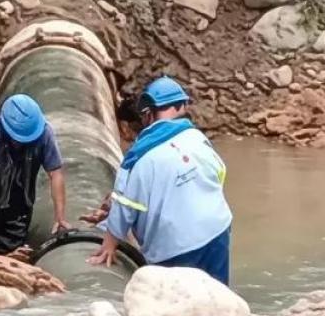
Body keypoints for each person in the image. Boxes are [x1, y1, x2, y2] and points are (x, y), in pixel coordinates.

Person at [87, 76, 233, 284]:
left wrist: (109, 245)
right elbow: (219, 174)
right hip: (217, 229)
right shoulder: (197, 138)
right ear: (181, 106)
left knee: (176, 307)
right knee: (218, 299)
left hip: (173, 246)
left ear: (147, 114)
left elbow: (125, 205)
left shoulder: (137, 158)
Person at [0, 94, 68, 256]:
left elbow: (56, 174)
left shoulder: (44, 135)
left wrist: (59, 217)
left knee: (10, 254)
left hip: (18, 208)